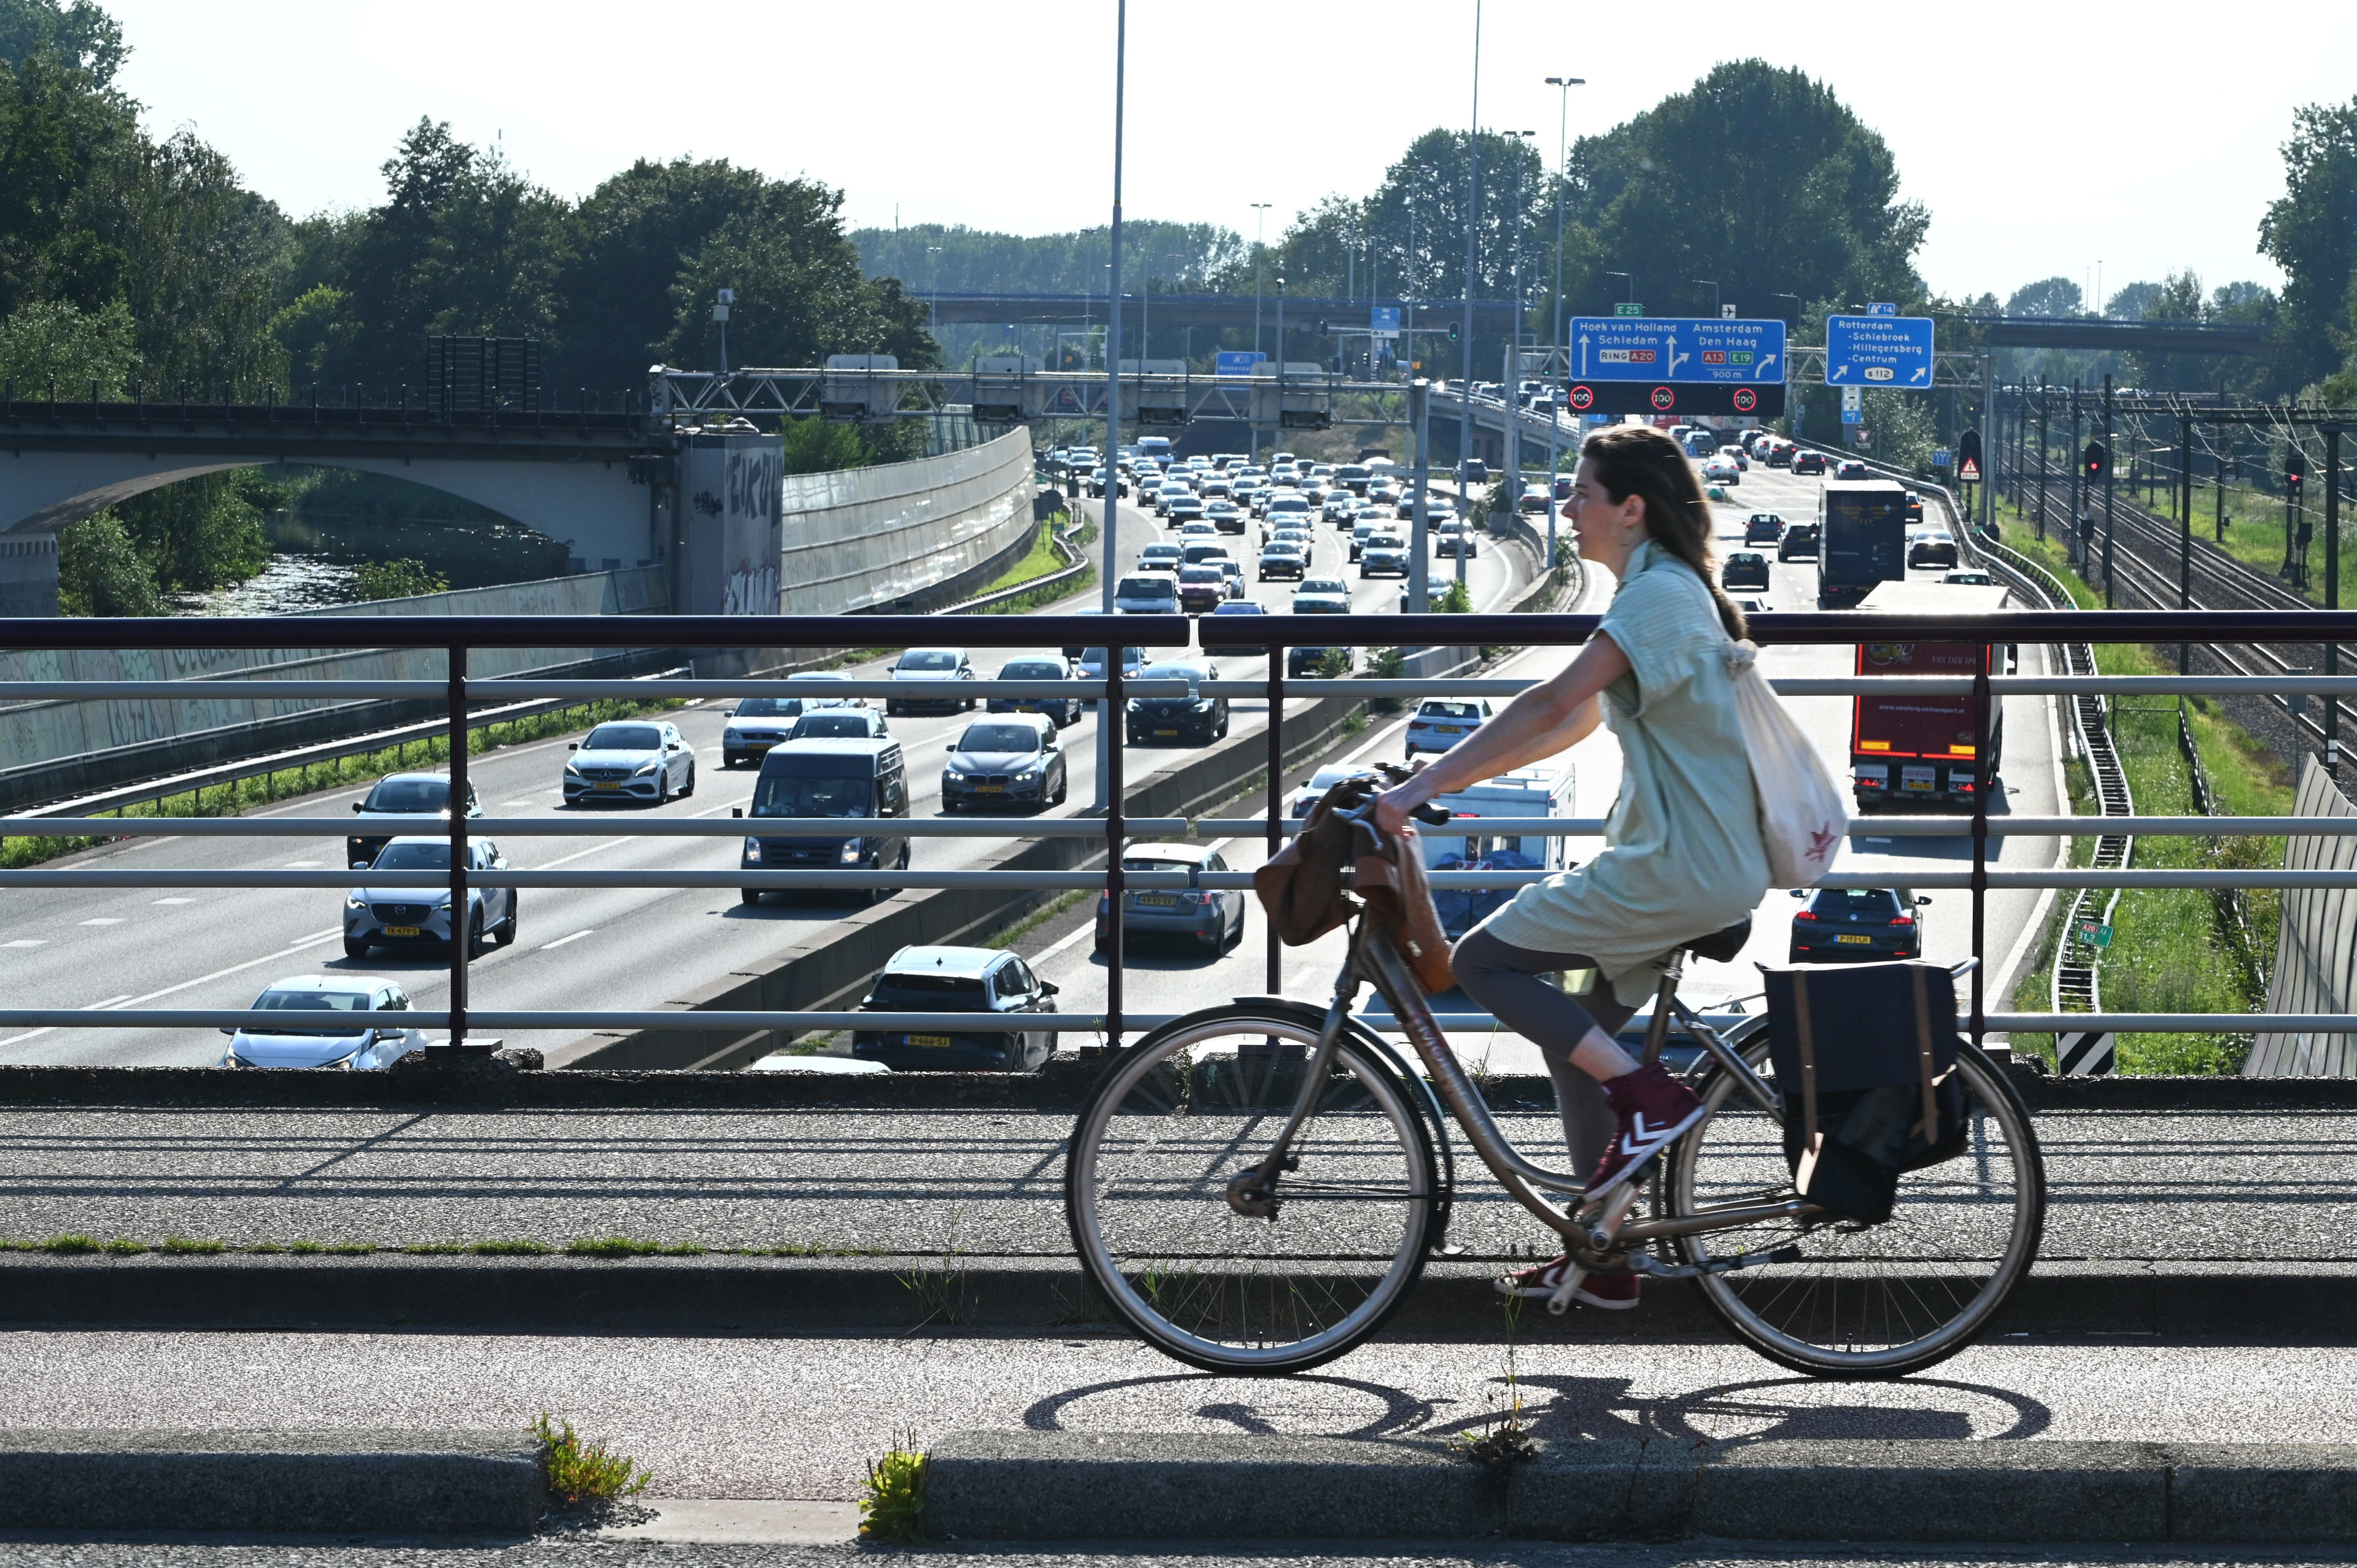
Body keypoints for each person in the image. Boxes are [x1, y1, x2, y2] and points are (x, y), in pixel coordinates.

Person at [1372, 425, 1770, 1310]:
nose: (1568, 507)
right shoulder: (1662, 588)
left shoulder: (1658, 596)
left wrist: (1419, 788)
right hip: (1693, 862)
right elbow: (1572, 725)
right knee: (1574, 1044)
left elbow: (1552, 697)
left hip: (1678, 866)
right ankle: (1606, 1253)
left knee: (1481, 962)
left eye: (1583, 493)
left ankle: (1649, 1097)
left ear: (1632, 509)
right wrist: (1447, 782)